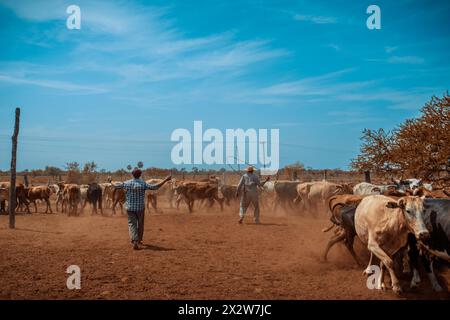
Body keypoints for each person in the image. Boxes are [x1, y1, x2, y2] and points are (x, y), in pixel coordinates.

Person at [112, 168, 171, 250]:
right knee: (140, 224)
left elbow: (116, 186)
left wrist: (110, 181)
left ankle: (134, 240)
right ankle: (139, 240)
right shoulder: (143, 184)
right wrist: (165, 180)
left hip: (130, 208)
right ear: (140, 175)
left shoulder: (127, 183)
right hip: (140, 208)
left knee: (132, 224)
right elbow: (155, 187)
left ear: (132, 174)